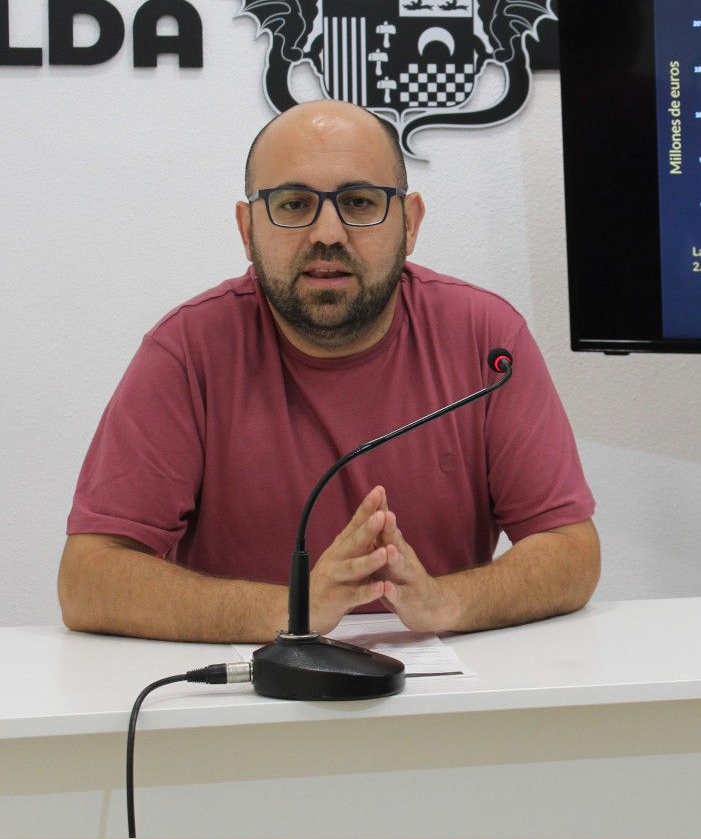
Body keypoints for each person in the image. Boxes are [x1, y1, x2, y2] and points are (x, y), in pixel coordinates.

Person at [58, 100, 599, 643]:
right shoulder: (187, 351)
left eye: (359, 202)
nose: (328, 233)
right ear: (247, 229)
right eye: (293, 204)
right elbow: (88, 579)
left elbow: (572, 552)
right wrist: (295, 611)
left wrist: (446, 602)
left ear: (409, 222)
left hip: (440, 684)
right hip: (256, 686)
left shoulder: (487, 342)